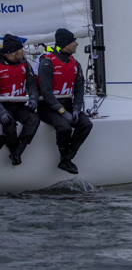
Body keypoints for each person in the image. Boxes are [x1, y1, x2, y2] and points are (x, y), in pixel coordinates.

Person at [37, 29, 91, 173]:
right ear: (66, 44)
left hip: (67, 104)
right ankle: (64, 157)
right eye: (74, 41)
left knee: (86, 124)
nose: (77, 44)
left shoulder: (75, 64)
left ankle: (67, 159)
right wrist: (62, 111)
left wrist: (76, 109)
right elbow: (46, 92)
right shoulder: (47, 62)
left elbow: (79, 89)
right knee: (64, 127)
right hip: (48, 107)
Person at [0, 33, 39, 166]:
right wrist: (1, 112)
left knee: (34, 119)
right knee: (9, 125)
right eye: (21, 50)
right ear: (13, 53)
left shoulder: (24, 63)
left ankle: (18, 151)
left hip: (19, 105)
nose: (23, 52)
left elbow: (32, 83)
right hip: (3, 106)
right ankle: (13, 151)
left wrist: (33, 98)